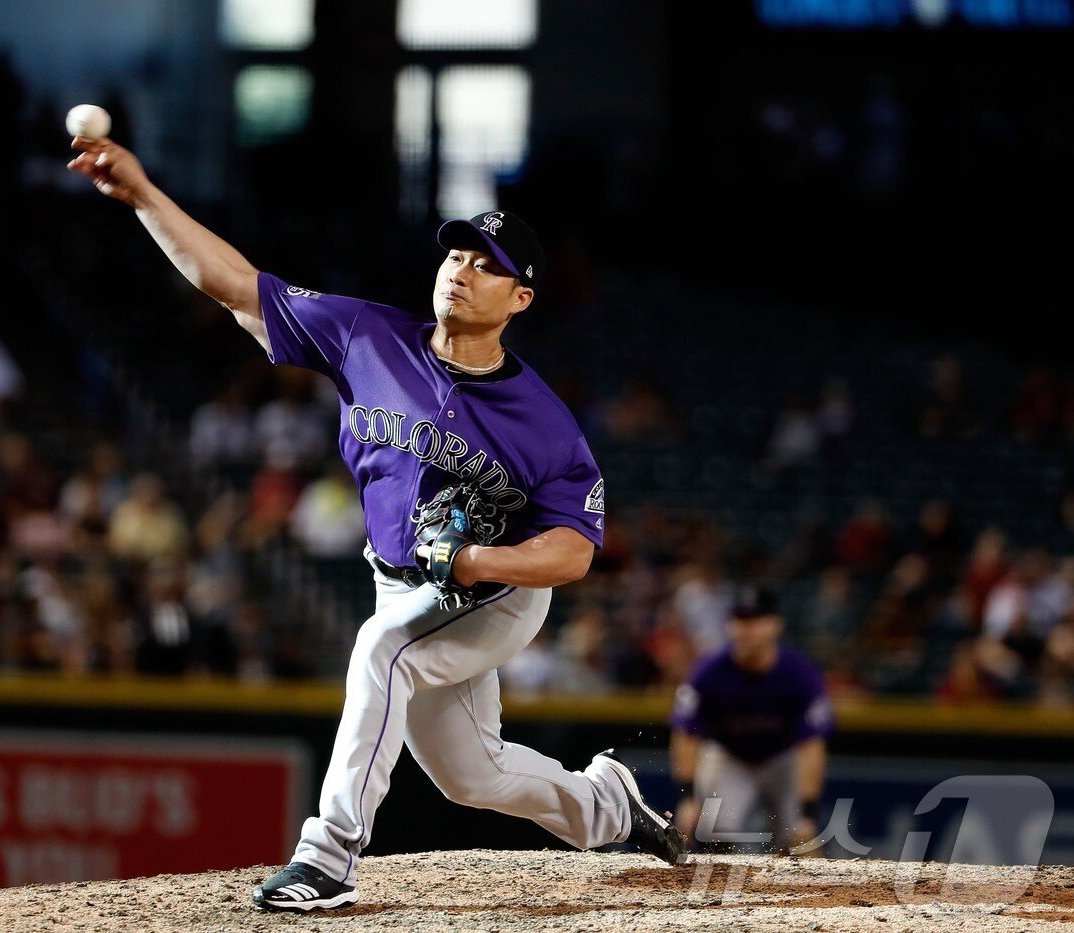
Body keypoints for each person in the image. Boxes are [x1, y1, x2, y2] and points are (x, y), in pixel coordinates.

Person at [67, 134, 684, 912]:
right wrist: (141, 195)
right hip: (401, 577)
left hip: (495, 595)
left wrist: (478, 564)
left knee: (382, 648)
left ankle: (327, 857)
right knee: (473, 775)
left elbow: (571, 553)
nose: (463, 269)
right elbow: (233, 285)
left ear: (520, 298)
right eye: (457, 254)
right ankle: (610, 804)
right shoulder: (369, 335)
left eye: (488, 264)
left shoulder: (546, 424)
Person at [669, 586, 832, 854]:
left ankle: (803, 895)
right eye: (740, 621)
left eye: (755, 621)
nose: (747, 629)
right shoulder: (709, 671)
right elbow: (686, 733)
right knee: (712, 830)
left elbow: (811, 745)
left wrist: (808, 813)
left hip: (783, 758)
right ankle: (716, 893)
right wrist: (687, 797)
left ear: (775, 625)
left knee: (802, 841)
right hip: (730, 757)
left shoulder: (799, 673)